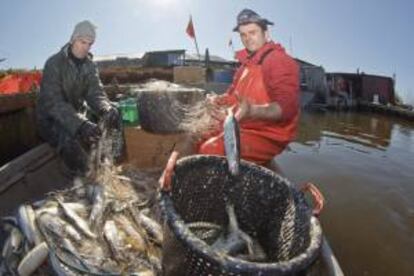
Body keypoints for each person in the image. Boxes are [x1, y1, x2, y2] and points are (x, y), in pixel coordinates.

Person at [197, 9, 300, 165]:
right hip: (240, 124)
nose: (247, 39)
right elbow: (232, 94)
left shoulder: (278, 60)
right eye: (243, 35)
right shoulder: (244, 66)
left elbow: (287, 108)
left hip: (268, 135)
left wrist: (252, 111)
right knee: (198, 132)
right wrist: (217, 100)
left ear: (266, 34)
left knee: (210, 150)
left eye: (252, 32)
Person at [36, 20, 120, 175]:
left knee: (111, 116)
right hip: (51, 119)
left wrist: (105, 108)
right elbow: (54, 103)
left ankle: (109, 163)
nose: (86, 47)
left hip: (76, 115)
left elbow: (95, 92)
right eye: (83, 42)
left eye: (90, 44)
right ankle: (85, 178)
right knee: (69, 139)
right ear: (73, 39)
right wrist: (81, 125)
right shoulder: (54, 63)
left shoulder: (90, 65)